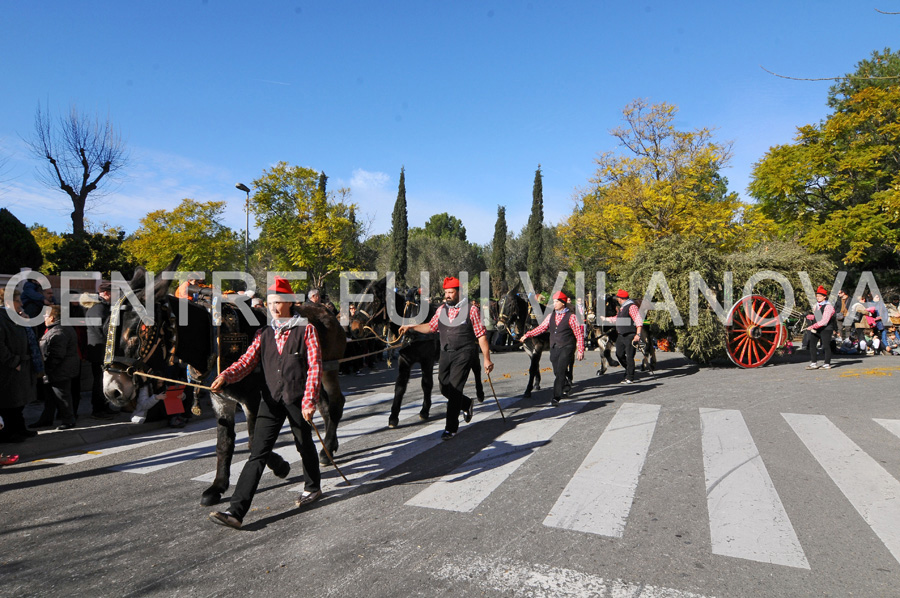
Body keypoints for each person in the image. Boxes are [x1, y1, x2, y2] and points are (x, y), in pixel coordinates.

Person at [207, 277, 323, 530]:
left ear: (290, 303)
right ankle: (236, 512)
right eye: (270, 302)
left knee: (304, 443)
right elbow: (246, 362)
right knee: (257, 453)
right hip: (270, 400)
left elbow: (314, 367)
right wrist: (226, 375)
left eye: (278, 301)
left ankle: (313, 487)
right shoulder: (264, 333)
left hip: (297, 398)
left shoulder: (306, 330)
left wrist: (309, 401)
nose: (272, 306)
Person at [398, 276, 494, 441]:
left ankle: (451, 428)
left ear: (459, 292)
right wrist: (411, 326)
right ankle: (466, 404)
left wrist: (487, 358)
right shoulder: (441, 309)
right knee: (444, 387)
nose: (447, 295)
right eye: (446, 292)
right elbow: (431, 327)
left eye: (451, 292)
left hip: (464, 352)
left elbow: (481, 336)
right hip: (446, 352)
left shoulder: (471, 310)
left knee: (455, 388)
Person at [518, 291, 585, 406]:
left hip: (567, 346)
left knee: (560, 371)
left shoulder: (571, 317)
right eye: (553, 301)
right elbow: (541, 328)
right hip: (555, 347)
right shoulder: (551, 316)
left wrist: (580, 350)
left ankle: (556, 396)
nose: (554, 304)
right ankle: (566, 385)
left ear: (563, 303)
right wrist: (527, 334)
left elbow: (578, 334)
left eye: (556, 301)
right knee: (556, 370)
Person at [0, 289, 38, 443]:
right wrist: (13, 362)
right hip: (9, 368)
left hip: (22, 365)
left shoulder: (15, 316)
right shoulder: (2, 318)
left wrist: (26, 322)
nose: (21, 304)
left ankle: (20, 428)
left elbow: (31, 338)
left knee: (19, 402)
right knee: (9, 402)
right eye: (18, 301)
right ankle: (9, 432)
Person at [33, 305, 80, 430]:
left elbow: (57, 355)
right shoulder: (58, 328)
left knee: (62, 396)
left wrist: (46, 368)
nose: (44, 317)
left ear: (53, 318)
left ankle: (69, 420)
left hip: (59, 371)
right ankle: (46, 419)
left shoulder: (59, 331)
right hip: (58, 370)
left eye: (46, 315)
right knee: (50, 397)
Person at [85, 281, 119, 419]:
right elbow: (103, 331)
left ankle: (104, 406)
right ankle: (98, 409)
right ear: (106, 293)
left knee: (104, 381)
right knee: (100, 381)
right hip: (100, 351)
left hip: (103, 350)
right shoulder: (99, 309)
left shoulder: (103, 307)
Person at [599, 289, 643, 384]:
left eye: (618, 298)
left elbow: (638, 321)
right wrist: (606, 319)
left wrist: (638, 334)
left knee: (629, 356)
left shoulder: (631, 307)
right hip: (621, 335)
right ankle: (628, 369)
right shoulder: (623, 307)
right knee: (619, 354)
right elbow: (617, 319)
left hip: (630, 335)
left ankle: (630, 377)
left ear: (621, 299)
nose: (617, 300)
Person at [805, 285, 836, 370]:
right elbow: (818, 317)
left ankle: (827, 364)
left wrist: (812, 326)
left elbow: (824, 321)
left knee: (826, 346)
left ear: (824, 297)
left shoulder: (828, 306)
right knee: (812, 345)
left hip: (826, 329)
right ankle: (814, 363)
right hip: (817, 328)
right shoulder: (817, 306)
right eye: (817, 296)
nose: (818, 298)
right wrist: (809, 316)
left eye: (820, 296)